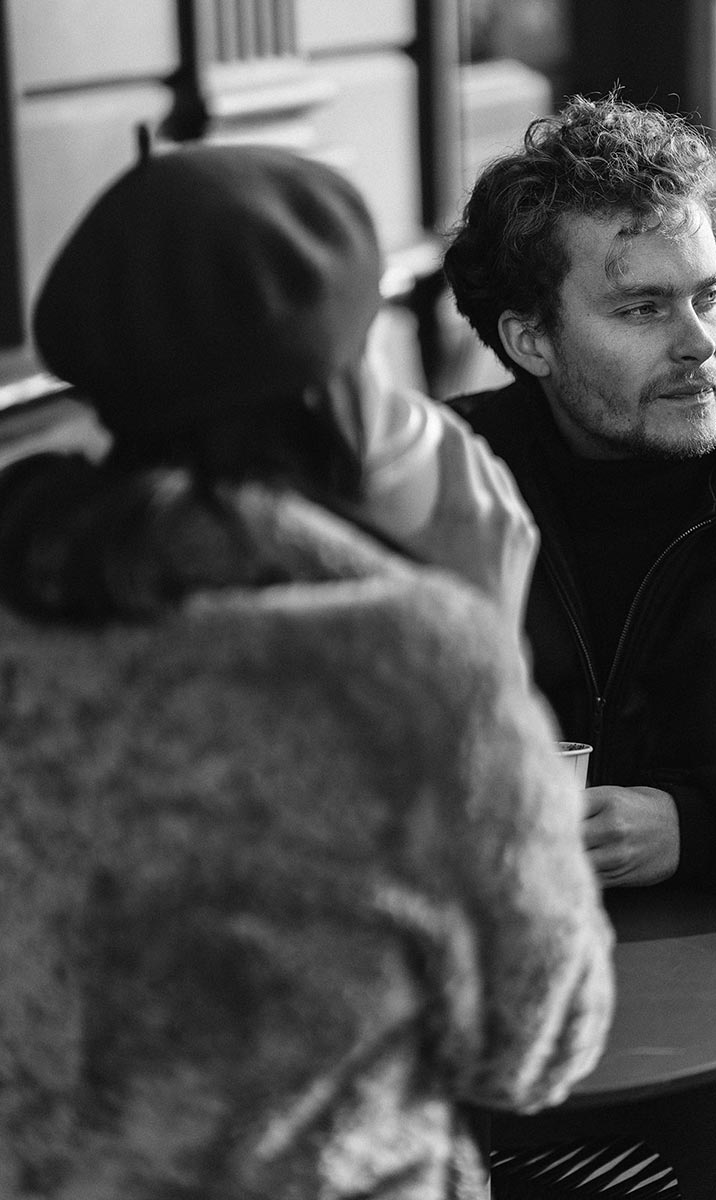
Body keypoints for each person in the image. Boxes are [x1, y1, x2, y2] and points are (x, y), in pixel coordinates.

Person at [0, 143, 613, 1198]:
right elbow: (536, 1047)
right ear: (342, 385)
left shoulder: (26, 595)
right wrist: (481, 633)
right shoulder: (412, 661)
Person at [443, 90, 716, 1197]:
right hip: (477, 994)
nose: (702, 343)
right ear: (529, 339)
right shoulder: (438, 491)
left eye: (708, 294)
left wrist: (697, 824)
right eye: (642, 308)